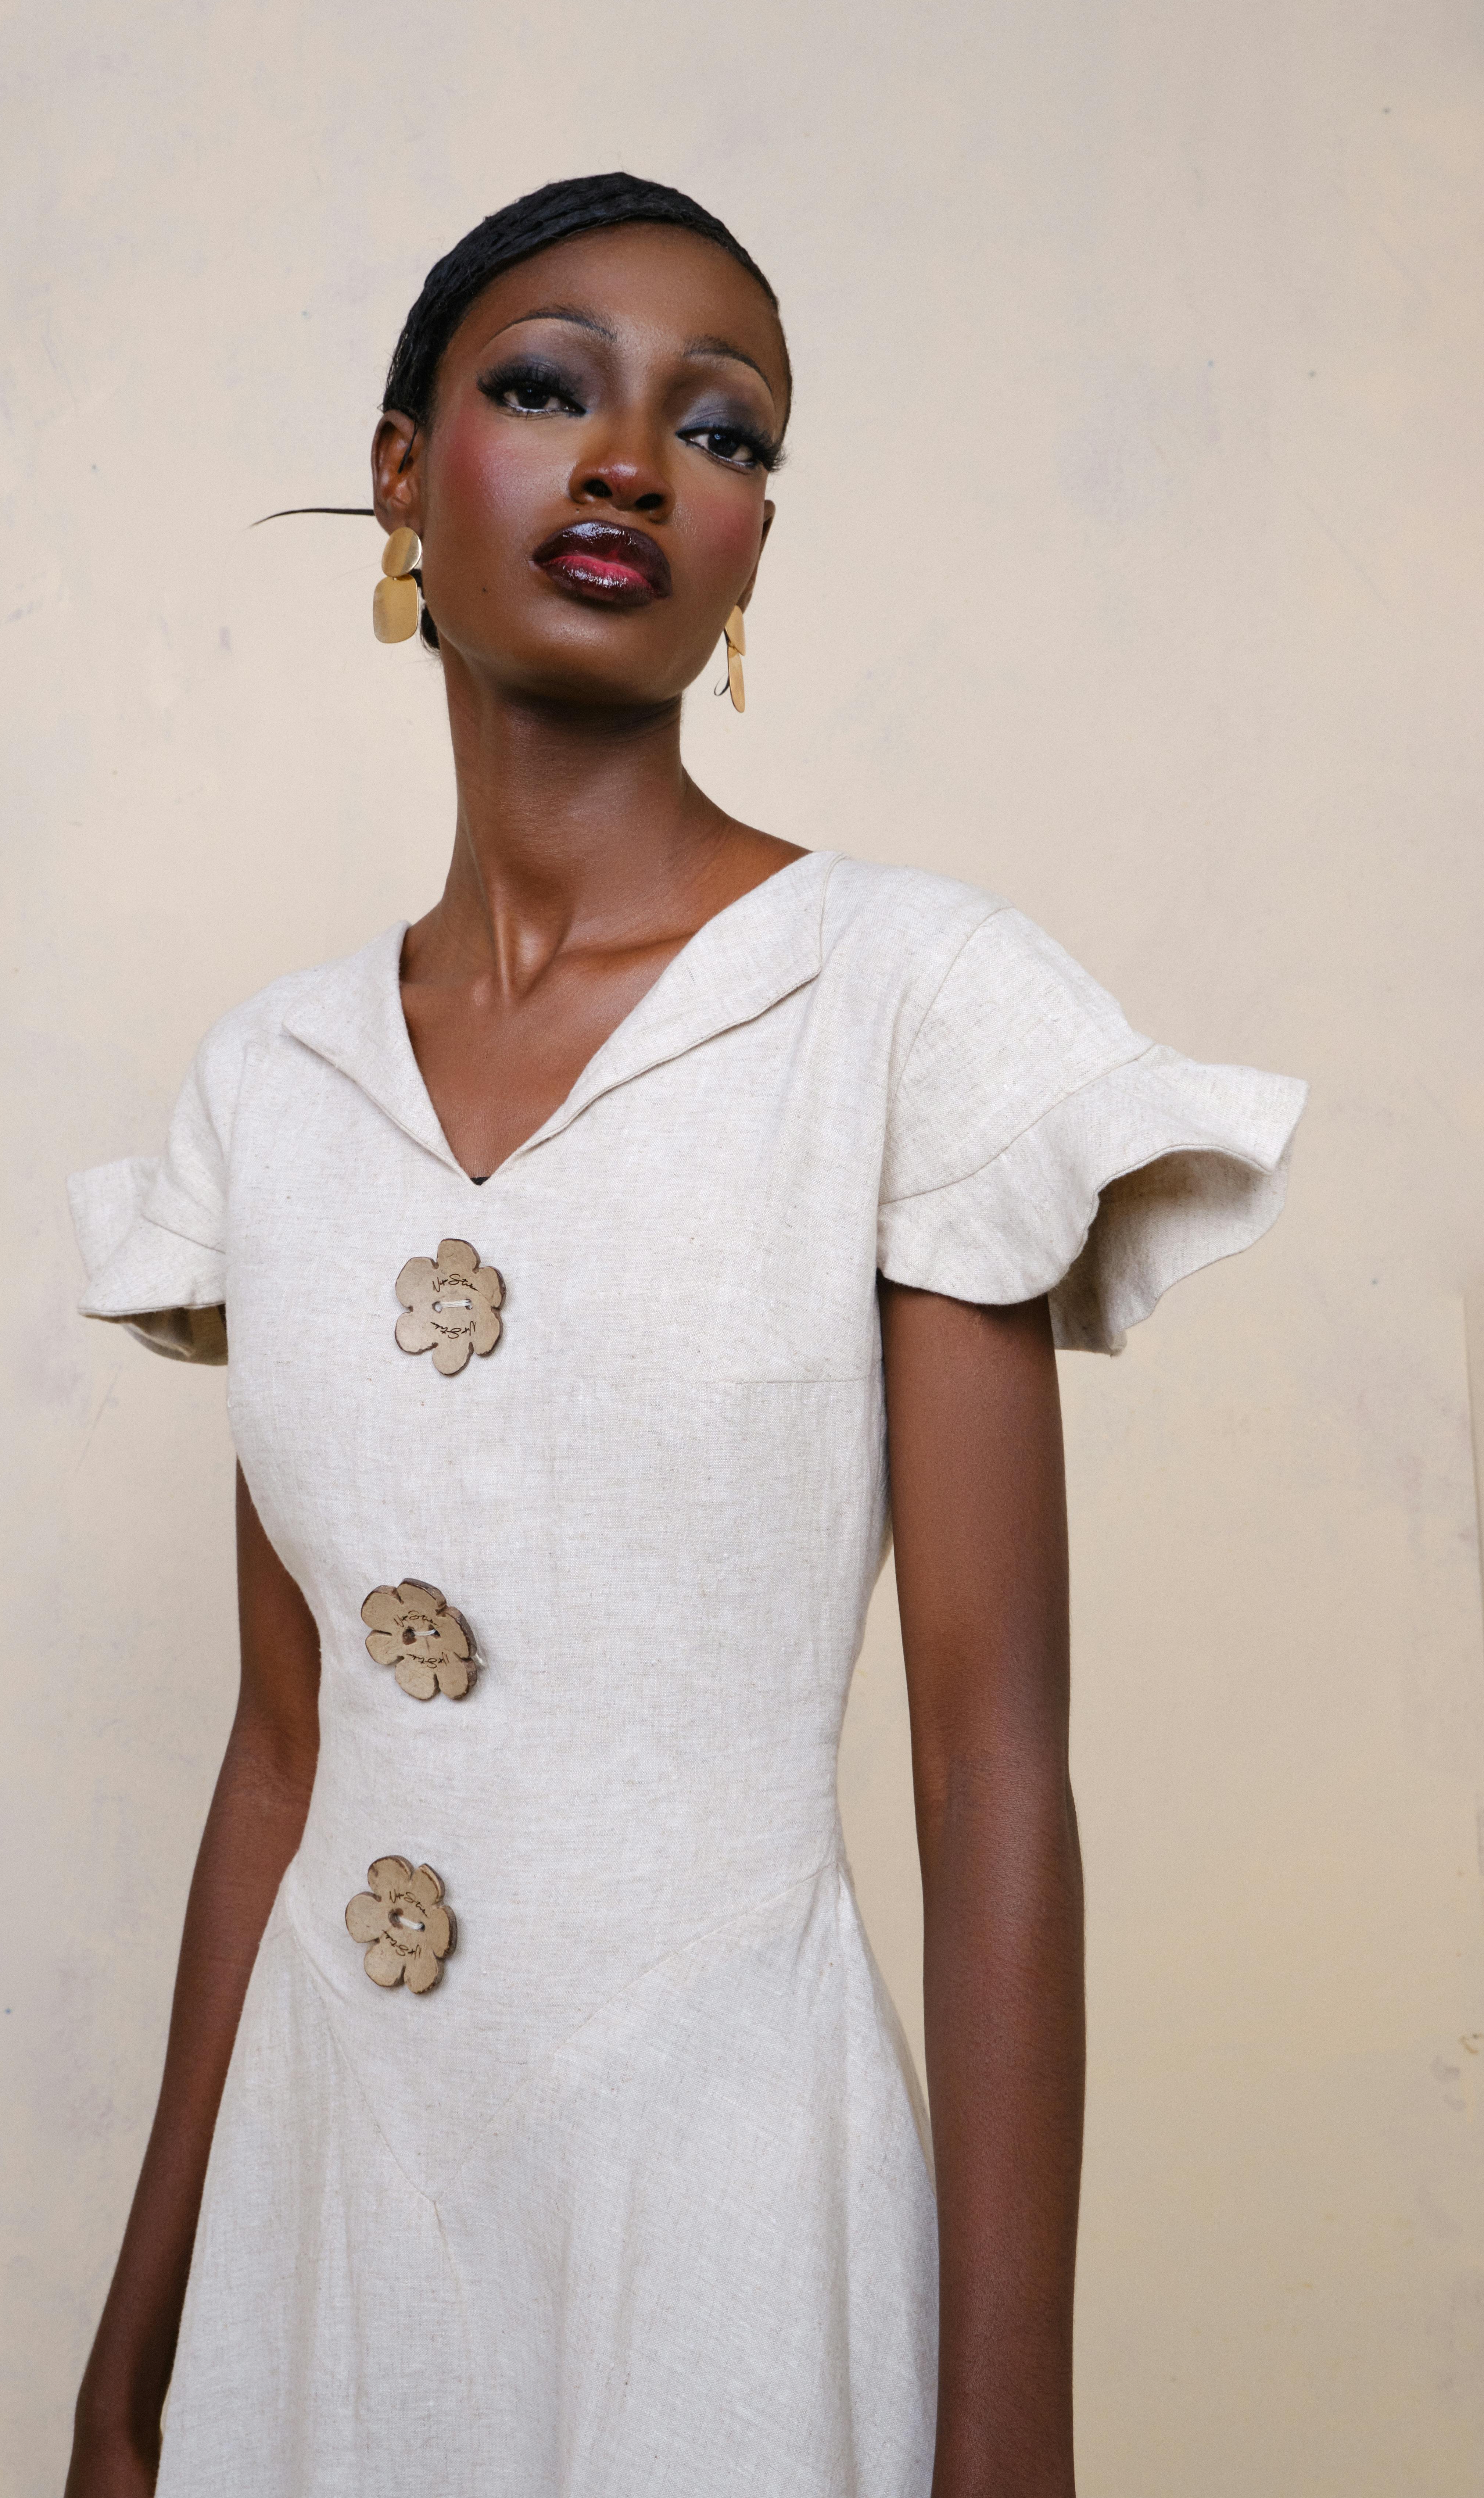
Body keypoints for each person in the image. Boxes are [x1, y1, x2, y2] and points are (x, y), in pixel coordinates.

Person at [62, 173, 1304, 2498]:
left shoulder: (911, 1002)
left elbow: (990, 1774)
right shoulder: (269, 1089)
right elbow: (279, 1755)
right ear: (410, 478)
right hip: (327, 2204)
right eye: (547, 386)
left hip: (719, 2197)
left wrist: (1008, 2444)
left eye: (722, 430)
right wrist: (131, 2367)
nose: (634, 458)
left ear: (750, 552)